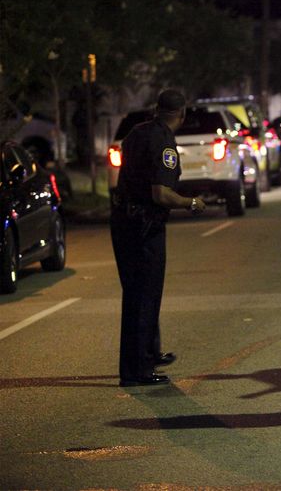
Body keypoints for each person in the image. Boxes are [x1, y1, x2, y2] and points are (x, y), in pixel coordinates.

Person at [111, 89, 206, 387]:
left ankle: (149, 354)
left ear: (156, 108)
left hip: (123, 221)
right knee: (143, 297)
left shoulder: (136, 133)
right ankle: (136, 370)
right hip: (144, 225)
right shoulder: (163, 141)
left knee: (139, 293)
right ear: (183, 113)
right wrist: (191, 203)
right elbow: (161, 193)